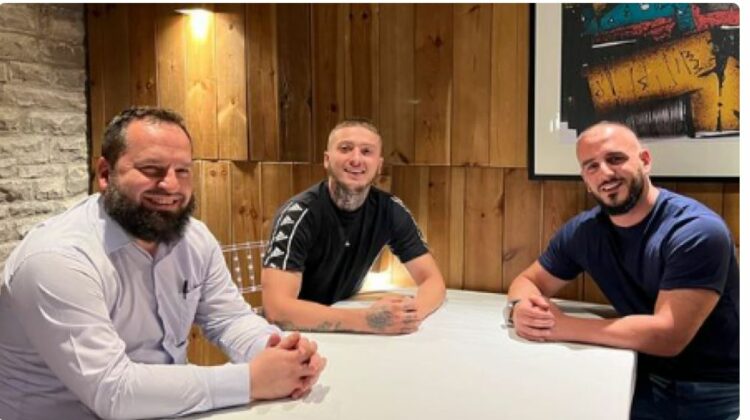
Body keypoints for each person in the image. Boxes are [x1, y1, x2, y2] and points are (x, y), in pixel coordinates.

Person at [0, 107, 326, 420]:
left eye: (182, 171)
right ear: (105, 174)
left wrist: (281, 353)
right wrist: (250, 380)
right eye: (151, 169)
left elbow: (229, 319)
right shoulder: (56, 259)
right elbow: (112, 391)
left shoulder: (194, 239)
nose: (171, 185)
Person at [506, 122, 738, 419]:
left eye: (615, 159)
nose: (605, 173)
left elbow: (668, 335)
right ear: (585, 180)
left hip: (718, 388)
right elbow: (528, 280)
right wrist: (521, 307)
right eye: (591, 166)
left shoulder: (696, 230)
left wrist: (559, 326)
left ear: (645, 161)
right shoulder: (584, 232)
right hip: (636, 374)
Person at [261, 118, 446, 335]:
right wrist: (368, 320)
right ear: (327, 160)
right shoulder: (297, 215)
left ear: (379, 165)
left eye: (366, 151)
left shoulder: (390, 210)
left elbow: (433, 281)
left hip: (348, 328)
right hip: (297, 336)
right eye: (345, 149)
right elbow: (277, 310)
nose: (356, 159)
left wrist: (408, 316)